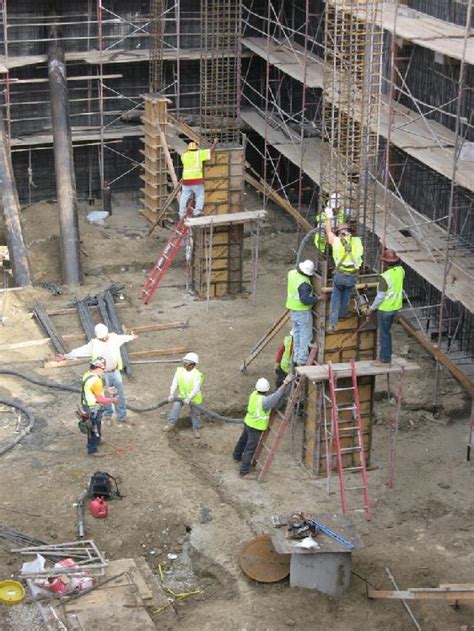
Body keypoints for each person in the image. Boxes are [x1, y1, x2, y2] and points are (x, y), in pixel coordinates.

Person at [57, 323, 137, 425]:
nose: (104, 339)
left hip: (115, 371)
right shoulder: (94, 344)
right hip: (103, 374)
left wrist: (132, 337)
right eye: (101, 338)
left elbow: (124, 338)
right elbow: (79, 351)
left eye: (104, 336)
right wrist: (66, 356)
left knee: (119, 395)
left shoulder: (114, 338)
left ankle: (122, 416)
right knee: (104, 394)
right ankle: (107, 415)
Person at [233, 374, 294, 479]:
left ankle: (236, 456)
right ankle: (243, 472)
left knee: (242, 441)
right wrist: (285, 383)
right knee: (250, 449)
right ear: (267, 389)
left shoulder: (253, 395)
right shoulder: (265, 402)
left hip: (248, 422)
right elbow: (277, 395)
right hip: (256, 427)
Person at [325, 205, 364, 330]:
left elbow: (328, 232)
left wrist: (329, 218)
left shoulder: (336, 241)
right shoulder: (357, 241)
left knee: (336, 297)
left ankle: (332, 323)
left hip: (340, 276)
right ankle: (343, 314)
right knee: (347, 294)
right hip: (352, 276)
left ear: (339, 233)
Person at [367, 249, 405, 367]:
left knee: (383, 334)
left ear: (385, 263)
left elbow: (380, 297)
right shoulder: (401, 271)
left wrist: (371, 308)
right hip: (396, 308)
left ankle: (385, 359)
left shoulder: (385, 277)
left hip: (385, 309)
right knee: (387, 333)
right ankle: (387, 355)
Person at [81, 357, 119, 457]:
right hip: (93, 407)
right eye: (103, 370)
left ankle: (98, 440)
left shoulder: (87, 374)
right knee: (92, 428)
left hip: (86, 405)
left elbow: (93, 389)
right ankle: (92, 450)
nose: (103, 372)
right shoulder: (96, 381)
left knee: (97, 425)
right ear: (98, 368)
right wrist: (113, 400)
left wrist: (106, 389)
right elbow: (101, 400)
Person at [285, 259, 319, 365]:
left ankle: (296, 357)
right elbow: (305, 300)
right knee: (305, 335)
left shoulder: (292, 274)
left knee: (297, 333)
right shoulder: (304, 283)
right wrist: (318, 298)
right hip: (303, 312)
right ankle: (302, 359)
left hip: (293, 310)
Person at [164, 352, 203, 438]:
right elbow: (175, 382)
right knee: (175, 408)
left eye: (186, 363)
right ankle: (170, 424)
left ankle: (196, 428)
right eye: (184, 362)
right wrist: (171, 394)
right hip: (181, 396)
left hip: (194, 398)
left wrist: (189, 398)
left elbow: (196, 388)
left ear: (192, 364)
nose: (184, 364)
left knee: (195, 413)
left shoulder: (197, 375)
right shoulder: (179, 371)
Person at [179, 139, 217, 218]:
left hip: (186, 181)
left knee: (184, 196)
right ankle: (197, 211)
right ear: (196, 148)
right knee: (200, 195)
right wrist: (215, 143)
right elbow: (210, 151)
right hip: (197, 181)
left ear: (188, 149)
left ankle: (181, 213)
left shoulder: (184, 156)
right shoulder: (199, 154)